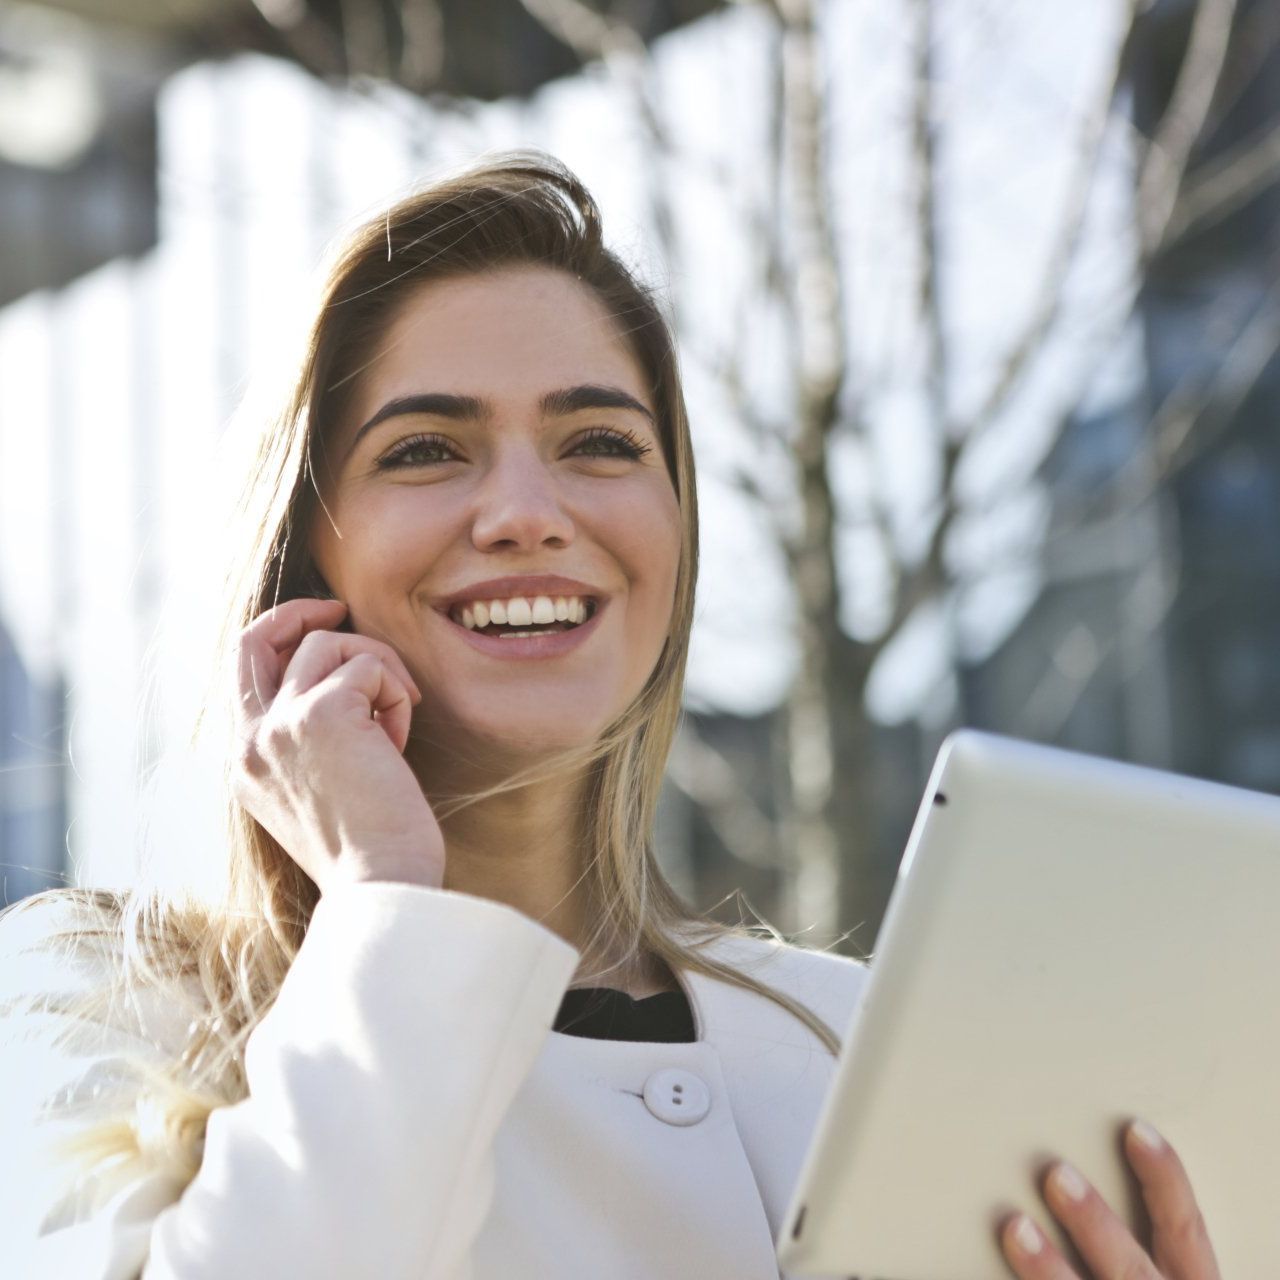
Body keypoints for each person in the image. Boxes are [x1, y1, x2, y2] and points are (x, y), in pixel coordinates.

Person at [0, 153, 1221, 1280]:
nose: (527, 512)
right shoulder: (90, 1002)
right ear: (301, 554)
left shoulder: (852, 1041)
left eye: (598, 441)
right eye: (427, 449)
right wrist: (386, 899)